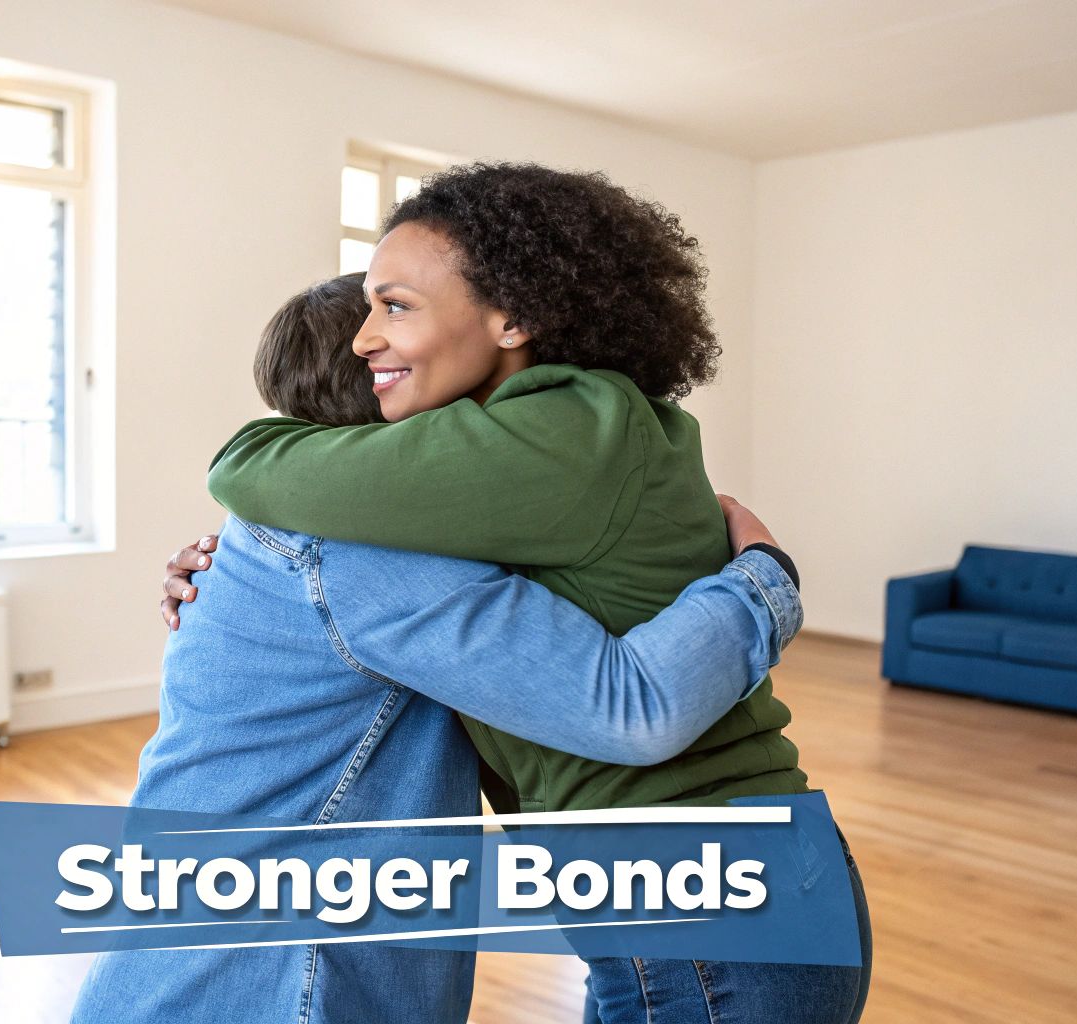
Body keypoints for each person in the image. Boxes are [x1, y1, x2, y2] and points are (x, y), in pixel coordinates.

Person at [197, 163, 870, 1023]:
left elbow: (252, 467)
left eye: (395, 306)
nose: (367, 338)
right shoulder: (566, 432)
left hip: (706, 909)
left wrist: (767, 585)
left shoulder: (561, 435)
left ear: (514, 317)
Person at [71, 273, 806, 1024]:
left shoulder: (279, 538)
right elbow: (633, 705)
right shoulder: (366, 553)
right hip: (263, 980)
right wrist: (762, 578)